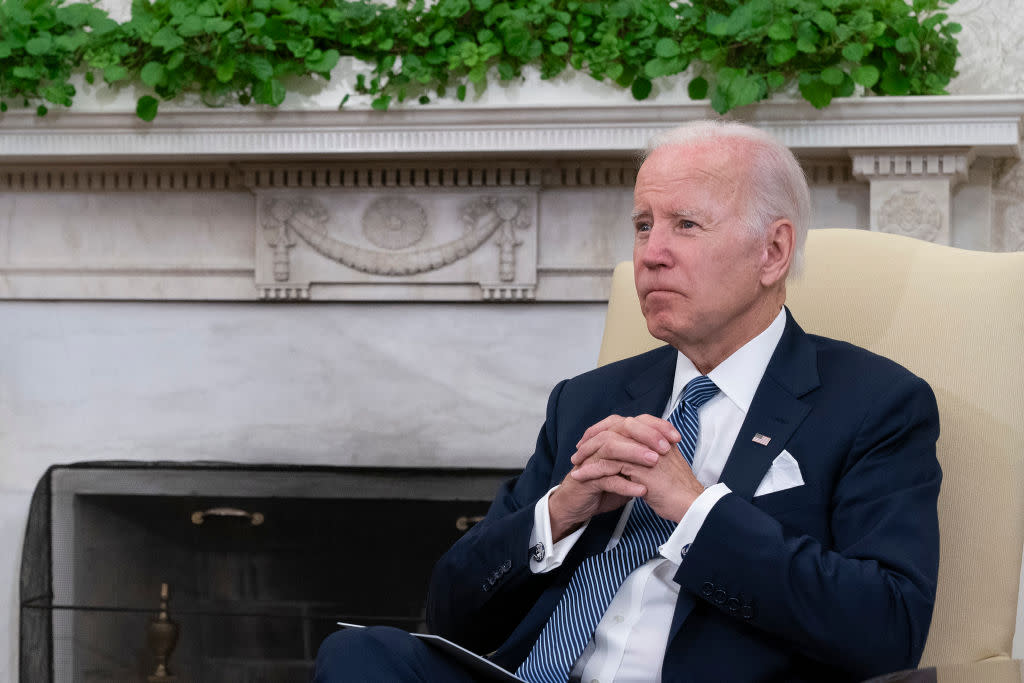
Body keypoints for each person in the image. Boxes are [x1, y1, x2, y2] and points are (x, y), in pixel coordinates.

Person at [313, 120, 941, 682]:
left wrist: (695, 512)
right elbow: (453, 613)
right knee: (361, 655)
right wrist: (561, 511)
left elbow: (888, 630)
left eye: (685, 225)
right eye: (643, 226)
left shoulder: (875, 403)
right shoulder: (589, 399)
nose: (650, 255)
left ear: (772, 252)